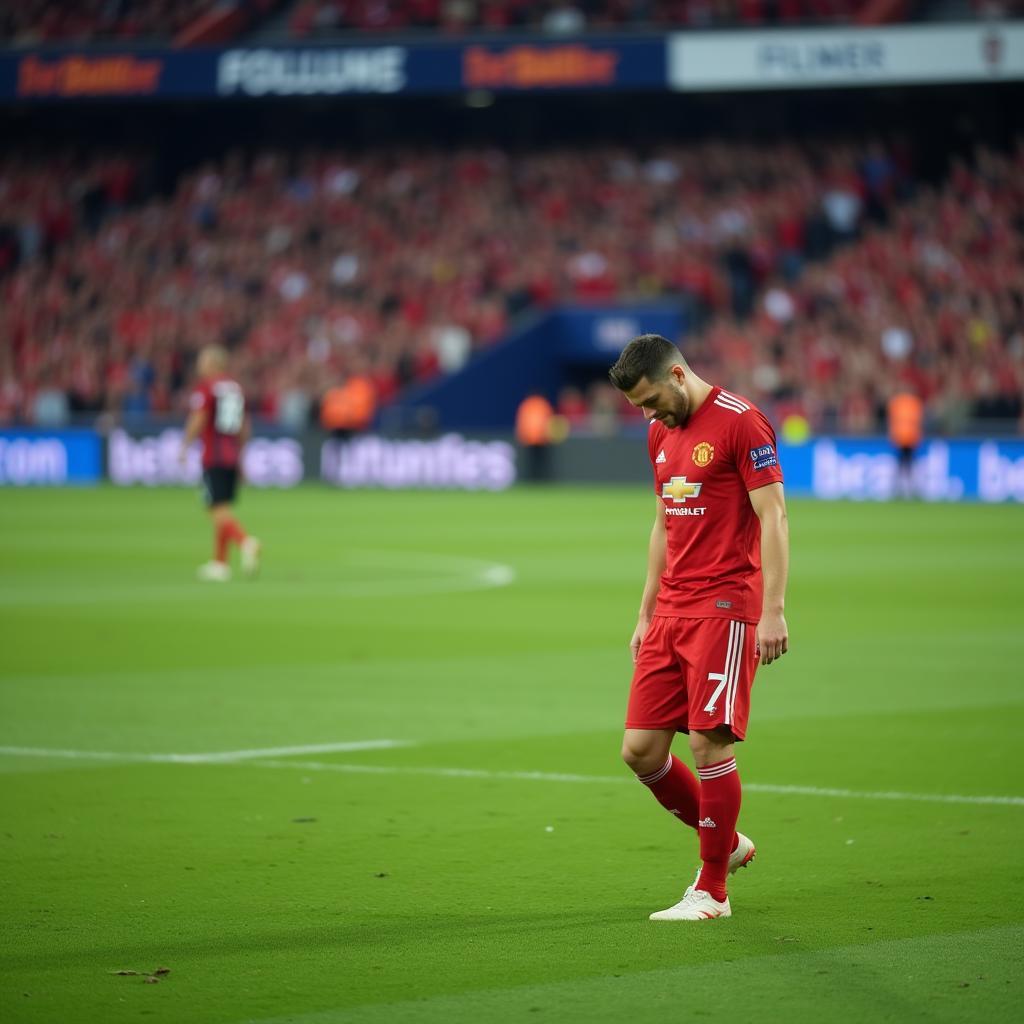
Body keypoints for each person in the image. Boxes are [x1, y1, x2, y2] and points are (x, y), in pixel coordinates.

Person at [607, 333, 789, 922]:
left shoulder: (742, 423)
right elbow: (663, 524)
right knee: (640, 751)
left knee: (710, 741)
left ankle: (712, 889)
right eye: (639, 407)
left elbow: (774, 515)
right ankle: (728, 842)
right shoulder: (661, 433)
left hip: (724, 607)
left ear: (679, 375)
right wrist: (644, 612)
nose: (648, 413)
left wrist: (773, 609)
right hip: (671, 611)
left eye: (652, 399)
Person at [179, 346, 261, 582]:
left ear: (213, 364)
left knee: (216, 509)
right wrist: (242, 456)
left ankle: (245, 541)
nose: (199, 365)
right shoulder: (235, 389)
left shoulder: (207, 388)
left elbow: (199, 418)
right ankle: (220, 564)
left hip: (213, 455)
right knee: (223, 507)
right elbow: (245, 426)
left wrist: (185, 445)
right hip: (232, 453)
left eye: (202, 361)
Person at [887, 390, 924, 499]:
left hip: (906, 439)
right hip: (905, 439)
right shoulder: (913, 404)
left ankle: (905, 490)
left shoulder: (898, 403)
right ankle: (904, 490)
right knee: (905, 466)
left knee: (905, 466)